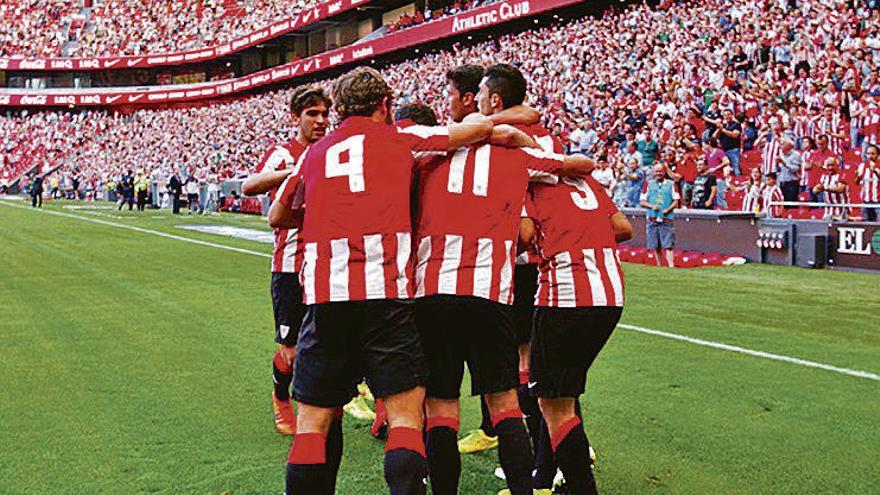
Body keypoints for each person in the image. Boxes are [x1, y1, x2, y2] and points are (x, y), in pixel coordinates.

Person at [268, 66, 496, 495]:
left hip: (326, 298)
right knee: (406, 417)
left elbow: (277, 215)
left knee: (313, 422)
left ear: (338, 109)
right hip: (387, 296)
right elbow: (476, 129)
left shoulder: (313, 153)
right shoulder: (402, 138)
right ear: (386, 105)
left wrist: (319, 215)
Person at [410, 64, 593, 495]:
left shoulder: (428, 150)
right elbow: (580, 165)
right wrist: (515, 136)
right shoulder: (516, 155)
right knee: (506, 404)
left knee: (440, 407)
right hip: (491, 293)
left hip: (432, 289)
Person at [528, 171, 632, 495]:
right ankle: (565, 476)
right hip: (610, 293)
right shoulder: (582, 178)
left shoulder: (523, 178)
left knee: (552, 403)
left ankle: (577, 484)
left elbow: (523, 233)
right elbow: (622, 228)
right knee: (564, 394)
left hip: (566, 294)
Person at [241, 85, 331, 436]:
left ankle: (326, 402)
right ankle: (281, 396)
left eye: (325, 114)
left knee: (330, 341)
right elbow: (250, 185)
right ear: (296, 118)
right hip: (290, 267)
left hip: (327, 265)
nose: (321, 121)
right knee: (291, 352)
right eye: (312, 114)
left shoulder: (334, 149)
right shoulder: (284, 154)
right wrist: (294, 173)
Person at [640, 164, 679, 267]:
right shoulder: (648, 184)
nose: (658, 174)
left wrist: (668, 209)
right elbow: (642, 202)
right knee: (655, 244)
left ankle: (671, 265)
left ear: (664, 172)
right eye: (656, 171)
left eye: (660, 171)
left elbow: (676, 201)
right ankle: (659, 265)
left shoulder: (671, 184)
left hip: (666, 218)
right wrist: (651, 206)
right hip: (652, 217)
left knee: (668, 244)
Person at [706, 108, 742, 176]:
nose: (727, 116)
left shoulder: (736, 125)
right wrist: (719, 129)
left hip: (733, 150)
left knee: (736, 169)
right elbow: (714, 137)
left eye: (728, 114)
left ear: (732, 115)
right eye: (725, 115)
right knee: (726, 171)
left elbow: (735, 135)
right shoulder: (724, 125)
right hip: (723, 151)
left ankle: (738, 181)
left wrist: (723, 129)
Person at [856, 144, 880, 221]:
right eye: (868, 153)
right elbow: (856, 182)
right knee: (866, 225)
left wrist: (875, 171)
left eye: (873, 154)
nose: (870, 156)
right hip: (865, 201)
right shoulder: (862, 166)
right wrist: (858, 177)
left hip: (878, 201)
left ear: (878, 155)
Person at [775, 139, 802, 204]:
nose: (780, 146)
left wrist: (784, 163)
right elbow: (778, 170)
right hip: (781, 183)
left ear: (789, 146)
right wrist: (776, 164)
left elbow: (796, 169)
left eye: (782, 144)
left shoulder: (796, 155)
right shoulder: (781, 154)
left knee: (791, 204)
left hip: (791, 184)